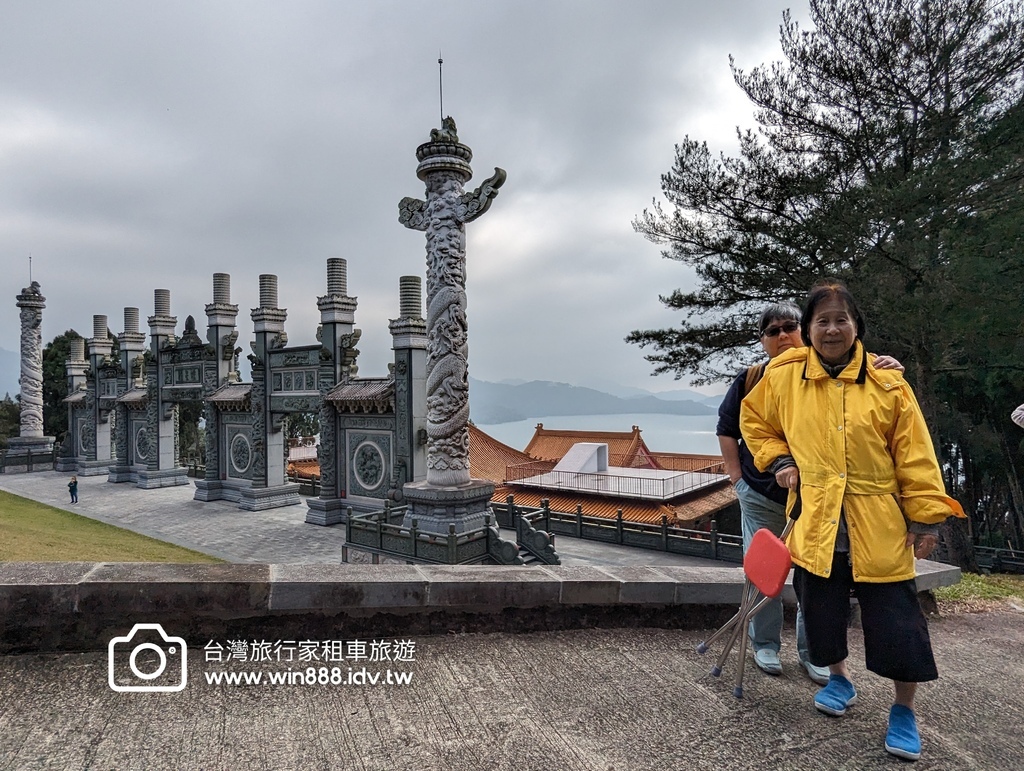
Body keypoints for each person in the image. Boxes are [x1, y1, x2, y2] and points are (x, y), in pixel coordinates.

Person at [740, 280, 965, 761]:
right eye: (821, 321)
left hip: (878, 521)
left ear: (857, 326)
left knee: (897, 621)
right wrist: (780, 461)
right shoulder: (783, 377)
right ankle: (839, 680)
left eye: (841, 319)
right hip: (818, 520)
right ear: (808, 329)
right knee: (821, 611)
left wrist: (925, 518)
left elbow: (916, 455)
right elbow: (754, 421)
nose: (831, 329)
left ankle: (904, 709)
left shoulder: (889, 383)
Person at [717, 302, 904, 685]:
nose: (783, 335)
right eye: (773, 331)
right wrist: (737, 478)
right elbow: (729, 428)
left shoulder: (828, 374)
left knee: (813, 575)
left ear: (804, 332)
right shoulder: (752, 378)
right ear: (763, 340)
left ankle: (814, 651)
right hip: (761, 493)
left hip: (815, 498)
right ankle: (764, 643)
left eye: (790, 327)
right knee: (761, 572)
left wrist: (881, 366)